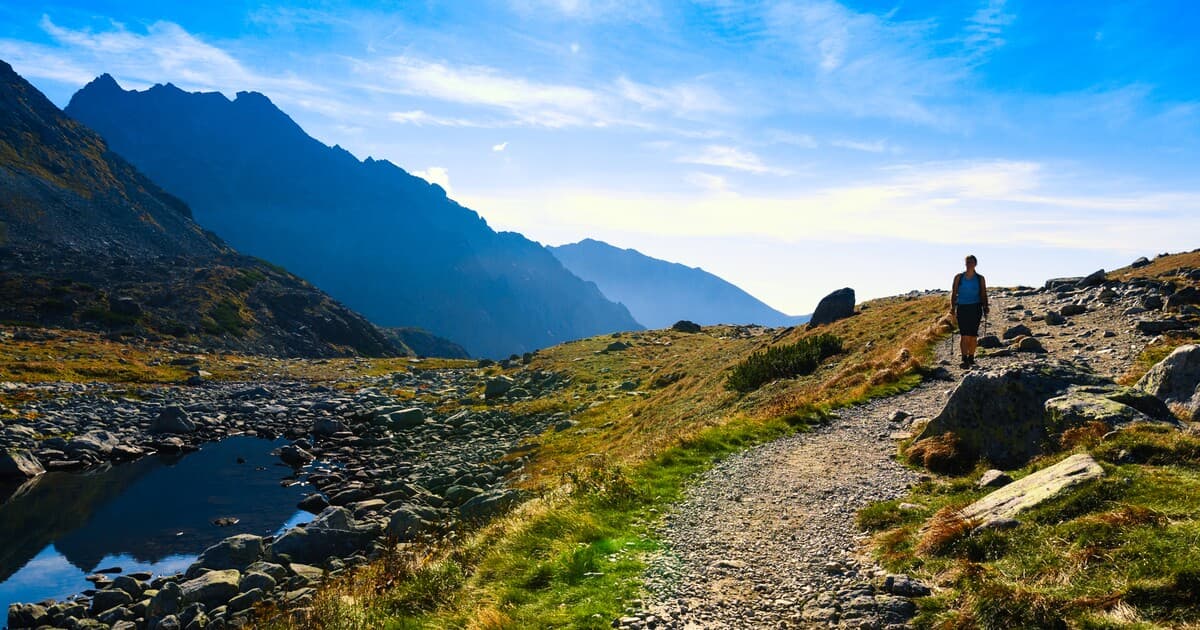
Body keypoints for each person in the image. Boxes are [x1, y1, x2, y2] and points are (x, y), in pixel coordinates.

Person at [950, 254, 989, 368]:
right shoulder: (959, 277)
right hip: (962, 307)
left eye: (971, 262)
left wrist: (985, 306)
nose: (969, 264)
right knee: (964, 334)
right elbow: (954, 293)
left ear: (975, 264)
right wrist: (952, 307)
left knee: (973, 335)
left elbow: (983, 293)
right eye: (967, 262)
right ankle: (964, 357)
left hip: (976, 307)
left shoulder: (980, 278)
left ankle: (971, 357)